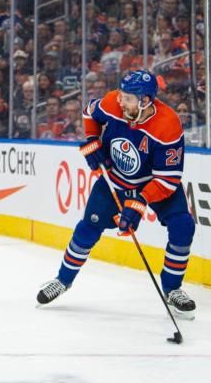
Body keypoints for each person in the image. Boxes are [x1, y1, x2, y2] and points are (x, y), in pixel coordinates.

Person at [37, 70, 196, 319]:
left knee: (183, 226)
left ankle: (173, 289)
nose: (120, 102)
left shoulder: (168, 125)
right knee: (87, 229)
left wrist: (138, 203)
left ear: (145, 101)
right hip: (114, 180)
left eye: (128, 99)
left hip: (152, 183)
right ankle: (63, 280)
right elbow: (90, 112)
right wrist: (92, 141)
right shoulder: (114, 102)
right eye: (121, 95)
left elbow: (168, 179)